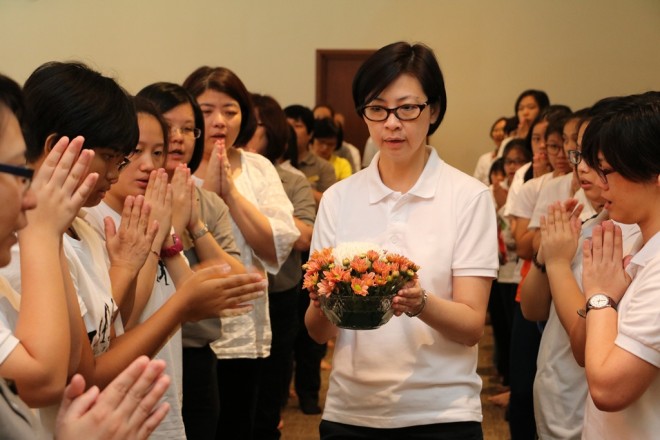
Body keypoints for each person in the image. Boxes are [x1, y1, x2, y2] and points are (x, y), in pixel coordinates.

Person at [305, 41, 498, 439]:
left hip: (442, 414)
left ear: (434, 110)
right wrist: (323, 302)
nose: (391, 123)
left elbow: (471, 326)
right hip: (351, 412)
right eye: (377, 109)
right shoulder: (339, 199)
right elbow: (318, 332)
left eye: (407, 108)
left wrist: (419, 302)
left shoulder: (468, 197)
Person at [0, 73, 171, 439]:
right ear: (53, 149)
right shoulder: (23, 243)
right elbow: (60, 377)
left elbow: (95, 338)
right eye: (110, 157)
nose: (115, 173)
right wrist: (184, 304)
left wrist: (125, 265)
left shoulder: (73, 227)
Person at [184, 66, 300, 439]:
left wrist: (230, 195)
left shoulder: (259, 168)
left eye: (230, 111)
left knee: (244, 425)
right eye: (205, 111)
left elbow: (275, 248)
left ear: (244, 116)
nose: (219, 121)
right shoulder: (173, 167)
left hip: (244, 324)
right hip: (187, 327)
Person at [137, 82, 245, 440]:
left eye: (188, 128)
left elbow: (235, 286)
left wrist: (193, 224)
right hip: (143, 351)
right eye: (169, 128)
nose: (179, 138)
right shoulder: (128, 196)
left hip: (196, 352)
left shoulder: (208, 203)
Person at [575, 91, 660, 439]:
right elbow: (583, 351)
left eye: (607, 170)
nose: (599, 183)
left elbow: (609, 389)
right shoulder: (638, 241)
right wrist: (598, 299)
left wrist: (600, 297)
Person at [247, 93, 317, 438]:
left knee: (273, 378)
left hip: (280, 292)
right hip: (235, 295)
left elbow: (305, 237)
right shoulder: (215, 177)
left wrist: (260, 211)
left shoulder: (292, 182)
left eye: (256, 123)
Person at [284, 105, 337, 204]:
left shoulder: (323, 167)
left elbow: (332, 204)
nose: (290, 130)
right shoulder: (271, 163)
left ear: (310, 134)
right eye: (286, 125)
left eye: (297, 126)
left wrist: (300, 187)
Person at [313, 104, 362, 173]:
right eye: (321, 142)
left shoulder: (343, 158)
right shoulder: (304, 156)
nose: (325, 147)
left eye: (330, 144)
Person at [473, 116, 507, 185]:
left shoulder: (509, 160)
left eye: (502, 130)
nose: (498, 133)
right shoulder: (484, 158)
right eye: (495, 130)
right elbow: (475, 181)